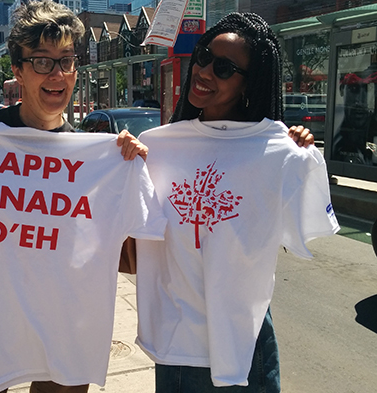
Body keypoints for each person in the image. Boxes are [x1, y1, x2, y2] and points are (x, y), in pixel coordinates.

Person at [0, 2, 162, 393]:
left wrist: (130, 167)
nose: (57, 74)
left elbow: (138, 243)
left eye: (66, 60)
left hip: (62, 323)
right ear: (18, 70)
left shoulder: (95, 155)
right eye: (42, 61)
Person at [135, 13, 340, 392]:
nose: (205, 70)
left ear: (250, 82)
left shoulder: (280, 151)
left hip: (245, 341)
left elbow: (297, 233)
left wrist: (301, 161)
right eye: (204, 56)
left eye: (224, 67)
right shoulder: (156, 146)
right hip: (178, 342)